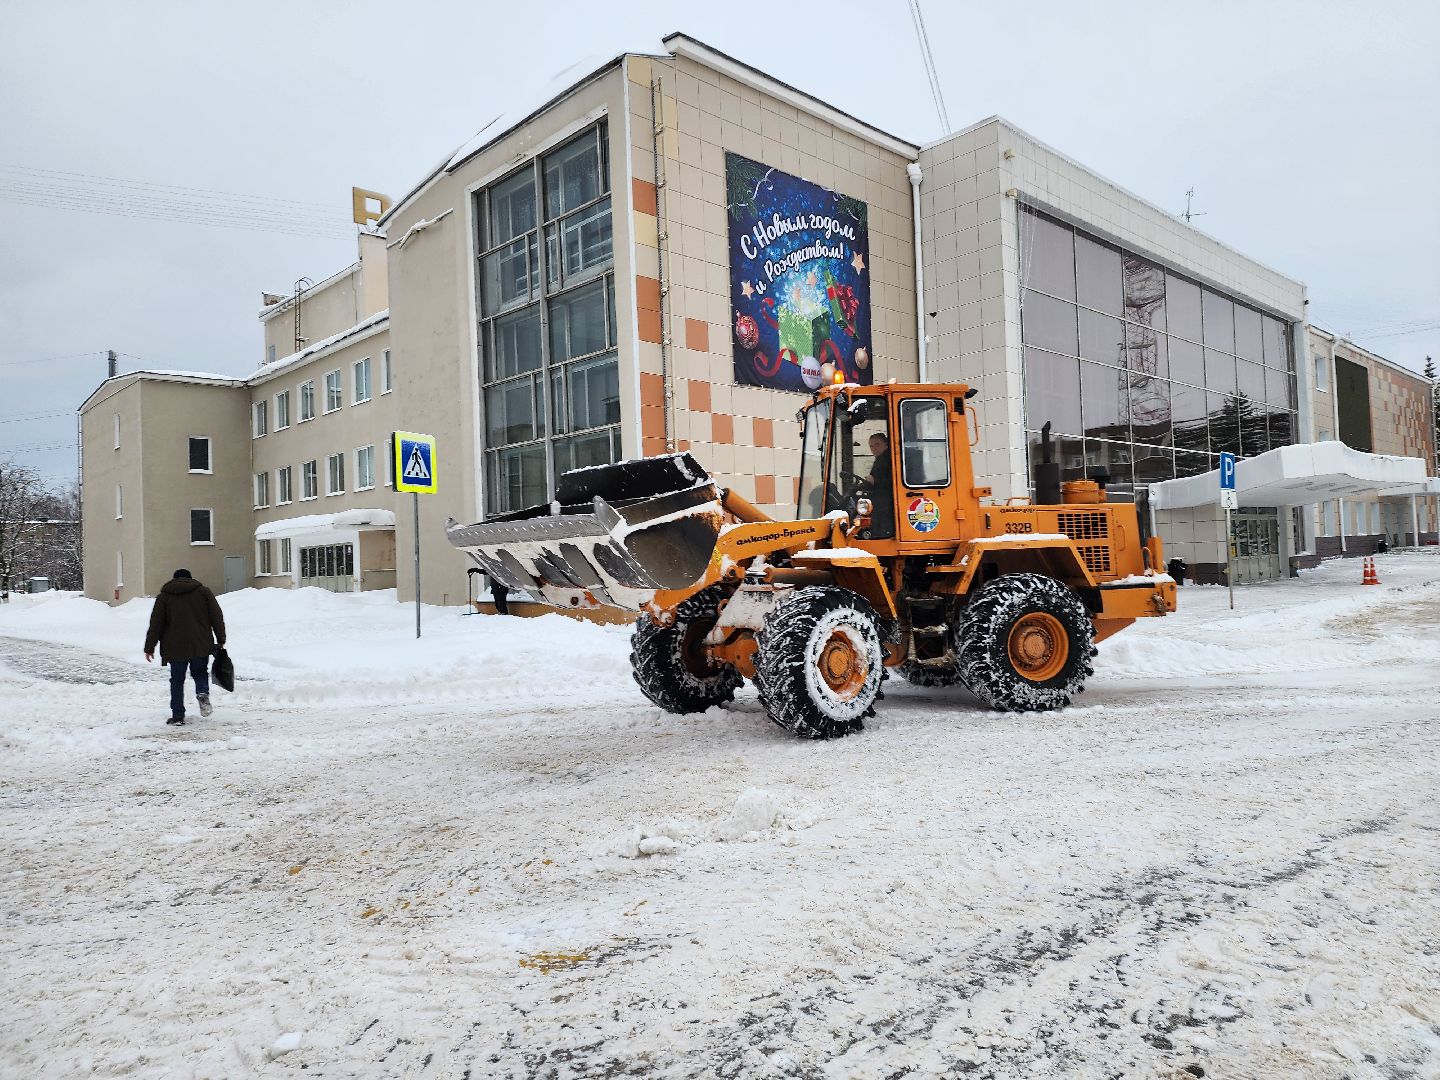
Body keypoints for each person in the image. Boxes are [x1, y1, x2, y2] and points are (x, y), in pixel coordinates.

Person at [143, 568, 226, 726]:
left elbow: (156, 624)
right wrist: (221, 638)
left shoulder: (164, 596)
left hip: (174, 646)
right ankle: (202, 692)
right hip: (200, 643)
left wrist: (149, 647)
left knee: (177, 680)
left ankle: (178, 716)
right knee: (200, 672)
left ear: (173, 580)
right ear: (191, 579)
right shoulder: (203, 592)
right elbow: (216, 616)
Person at [861, 432, 894, 535]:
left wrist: (874, 481)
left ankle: (877, 534)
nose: (874, 448)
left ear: (885, 444)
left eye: (877, 444)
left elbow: (892, 481)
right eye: (871, 446)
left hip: (887, 500)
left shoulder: (889, 459)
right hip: (881, 496)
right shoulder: (881, 459)